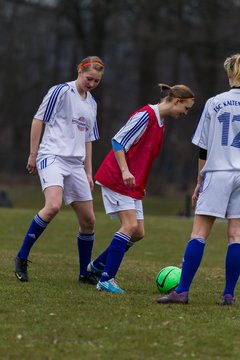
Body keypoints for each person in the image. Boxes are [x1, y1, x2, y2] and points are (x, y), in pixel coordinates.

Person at [86, 83, 194, 293]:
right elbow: (118, 141)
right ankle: (106, 279)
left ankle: (96, 267)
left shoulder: (160, 122)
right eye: (186, 108)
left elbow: (142, 156)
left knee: (138, 233)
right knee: (129, 226)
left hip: (132, 184)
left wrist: (140, 183)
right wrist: (125, 172)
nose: (185, 113)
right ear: (177, 101)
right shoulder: (145, 115)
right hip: (117, 177)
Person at [157, 53, 240, 306]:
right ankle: (228, 295)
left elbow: (203, 148)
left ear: (229, 75)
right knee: (236, 236)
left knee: (199, 233)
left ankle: (182, 291)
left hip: (218, 172)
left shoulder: (215, 103)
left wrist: (199, 181)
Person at [15, 56, 104, 284]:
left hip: (76, 164)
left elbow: (88, 140)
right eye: (89, 78)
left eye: (96, 81)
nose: (91, 84)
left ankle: (84, 273)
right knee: (53, 205)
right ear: (79, 71)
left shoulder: (92, 103)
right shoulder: (61, 91)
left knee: (89, 221)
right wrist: (33, 155)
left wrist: (88, 172)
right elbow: (38, 120)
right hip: (52, 156)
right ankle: (22, 257)